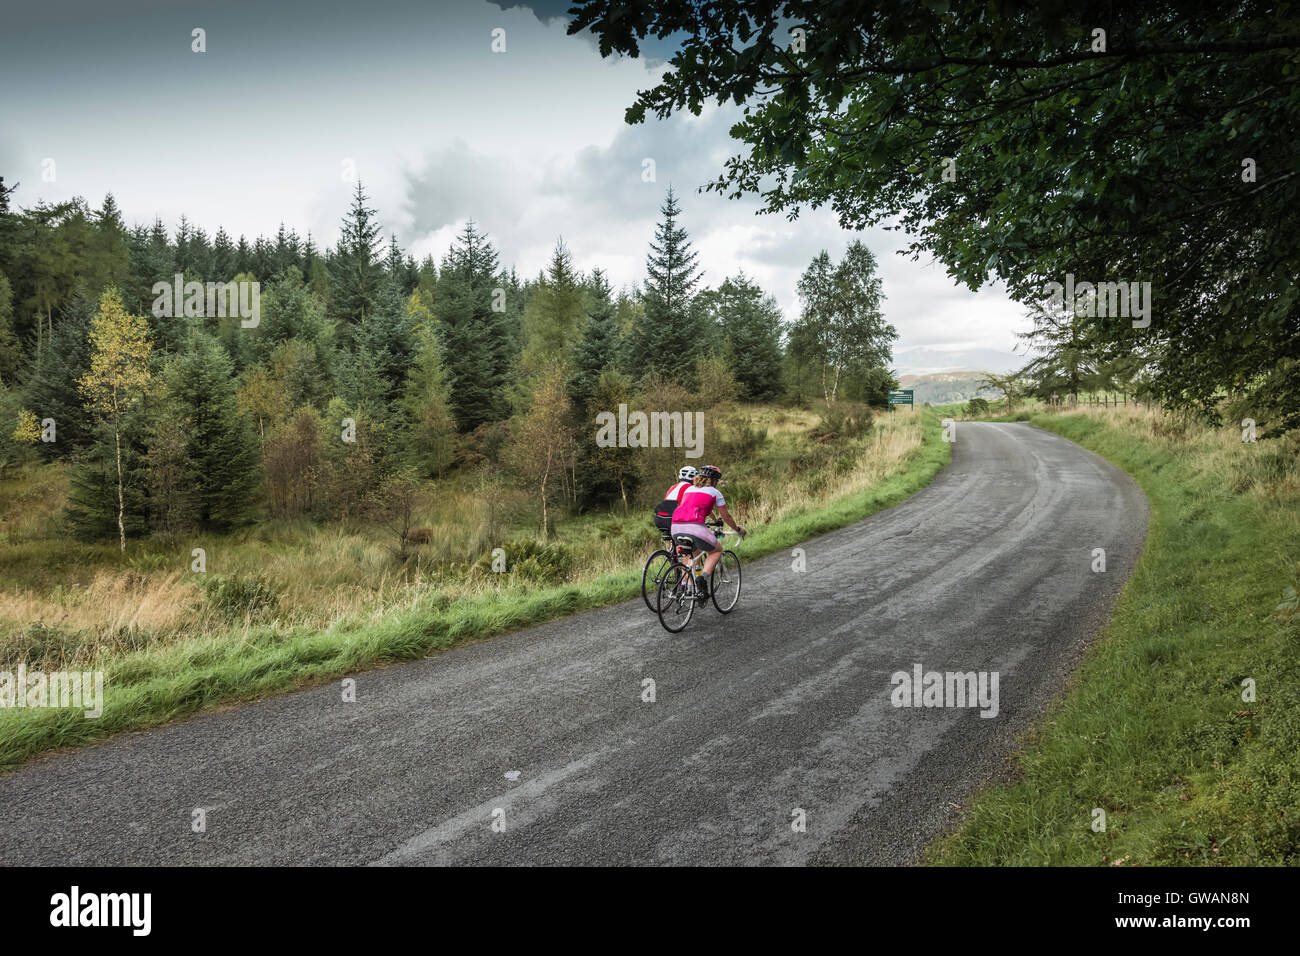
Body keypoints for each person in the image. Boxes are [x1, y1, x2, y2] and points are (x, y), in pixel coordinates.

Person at [670, 464, 746, 597]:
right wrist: (738, 529)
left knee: (693, 554)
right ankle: (702, 579)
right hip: (695, 527)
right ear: (715, 480)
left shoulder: (689, 490)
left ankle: (687, 588)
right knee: (716, 550)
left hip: (675, 527)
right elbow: (726, 516)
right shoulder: (715, 492)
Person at [652, 466, 697, 538]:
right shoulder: (691, 488)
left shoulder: (673, 487)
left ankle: (671, 548)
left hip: (659, 520)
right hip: (674, 520)